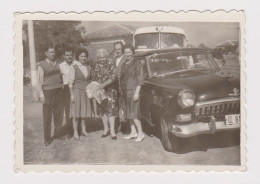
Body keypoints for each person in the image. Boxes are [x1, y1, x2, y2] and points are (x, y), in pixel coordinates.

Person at [37, 45, 64, 146]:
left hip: (59, 92)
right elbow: (39, 82)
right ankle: (47, 138)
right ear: (46, 53)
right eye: (50, 52)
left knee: (59, 115)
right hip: (48, 92)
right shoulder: (41, 65)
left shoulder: (58, 64)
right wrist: (41, 95)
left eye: (53, 52)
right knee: (47, 116)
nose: (52, 54)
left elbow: (61, 77)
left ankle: (58, 134)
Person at [120, 44, 145, 142]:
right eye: (126, 52)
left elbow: (140, 79)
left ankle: (141, 133)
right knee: (128, 114)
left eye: (129, 52)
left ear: (133, 52)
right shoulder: (124, 64)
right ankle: (133, 132)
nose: (127, 54)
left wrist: (137, 93)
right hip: (125, 91)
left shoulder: (137, 63)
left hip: (133, 90)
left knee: (134, 114)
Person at [91, 49, 118, 140]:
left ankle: (112, 131)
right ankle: (105, 129)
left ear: (106, 57)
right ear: (98, 58)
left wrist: (103, 85)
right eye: (100, 57)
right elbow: (92, 78)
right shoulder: (94, 67)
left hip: (110, 91)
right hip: (99, 92)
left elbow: (113, 77)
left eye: (104, 57)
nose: (102, 59)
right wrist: (96, 88)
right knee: (103, 111)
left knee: (111, 110)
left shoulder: (111, 65)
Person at [69, 48, 91, 141]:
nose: (83, 58)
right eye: (81, 56)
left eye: (84, 56)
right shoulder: (73, 67)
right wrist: (72, 95)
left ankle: (83, 130)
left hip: (86, 92)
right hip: (77, 91)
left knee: (84, 112)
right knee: (76, 113)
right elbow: (70, 83)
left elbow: (89, 81)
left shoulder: (88, 67)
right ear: (78, 56)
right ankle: (75, 132)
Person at [59, 47, 74, 139]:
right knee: (67, 110)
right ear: (64, 56)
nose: (69, 57)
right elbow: (58, 77)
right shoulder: (60, 65)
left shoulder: (76, 64)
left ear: (73, 55)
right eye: (67, 55)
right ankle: (69, 131)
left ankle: (76, 129)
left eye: (71, 55)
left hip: (74, 88)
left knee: (74, 109)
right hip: (65, 89)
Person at [113, 41, 128, 133]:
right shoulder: (113, 59)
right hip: (115, 86)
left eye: (119, 48)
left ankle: (126, 126)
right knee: (117, 105)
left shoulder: (126, 58)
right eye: (116, 49)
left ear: (122, 48)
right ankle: (118, 124)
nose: (117, 51)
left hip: (124, 86)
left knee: (124, 106)